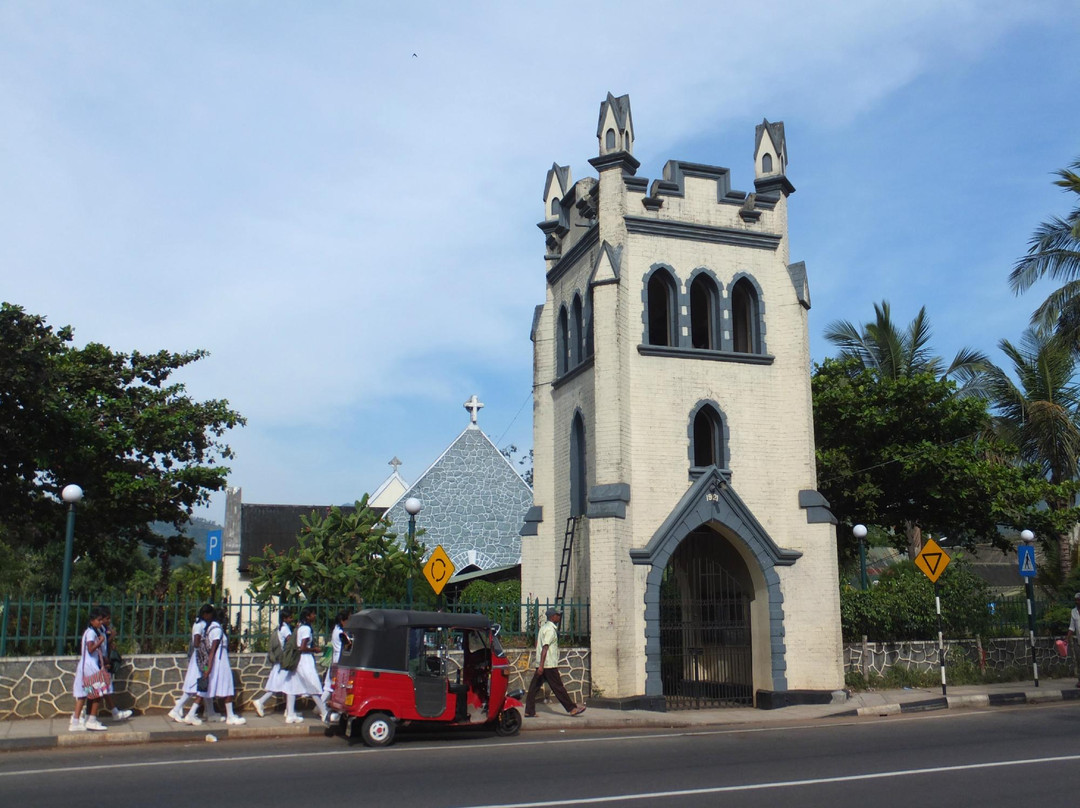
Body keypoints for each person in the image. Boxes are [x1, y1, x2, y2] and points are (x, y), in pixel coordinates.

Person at [524, 607, 586, 718]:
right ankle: (571, 709)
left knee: (534, 688)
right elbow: (545, 647)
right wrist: (542, 666)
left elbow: (537, 644)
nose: (559, 617)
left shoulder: (543, 628)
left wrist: (540, 665)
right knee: (558, 687)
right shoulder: (550, 630)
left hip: (543, 664)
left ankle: (529, 711)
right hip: (548, 665)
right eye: (557, 615)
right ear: (553, 617)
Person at [169, 603, 215, 725]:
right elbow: (196, 642)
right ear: (205, 614)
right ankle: (179, 710)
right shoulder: (199, 625)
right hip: (200, 658)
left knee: (196, 686)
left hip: (200, 657)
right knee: (199, 684)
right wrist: (204, 645)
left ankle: (177, 709)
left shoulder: (200, 624)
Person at [281, 606, 329, 724]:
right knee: (313, 685)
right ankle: (324, 712)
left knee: (293, 686)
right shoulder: (306, 629)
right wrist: (314, 649)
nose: (314, 616)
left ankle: (290, 714)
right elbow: (302, 647)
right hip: (305, 660)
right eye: (313, 614)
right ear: (308, 616)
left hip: (298, 660)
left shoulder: (300, 627)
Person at [203, 607, 246, 725]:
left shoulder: (209, 629)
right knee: (227, 687)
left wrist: (207, 668)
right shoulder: (217, 630)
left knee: (209, 687)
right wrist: (208, 668)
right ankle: (230, 716)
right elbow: (213, 650)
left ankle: (210, 711)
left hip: (214, 663)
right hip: (220, 663)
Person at [69, 607, 109, 732]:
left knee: (84, 694)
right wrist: (100, 641)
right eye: (98, 620)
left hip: (85, 666)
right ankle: (91, 720)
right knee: (97, 693)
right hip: (89, 666)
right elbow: (90, 649)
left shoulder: (92, 631)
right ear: (92, 621)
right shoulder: (91, 633)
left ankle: (76, 721)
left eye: (101, 620)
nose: (101, 622)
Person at [252, 607, 296, 718]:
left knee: (285, 686)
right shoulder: (285, 629)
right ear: (285, 618)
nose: (292, 619)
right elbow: (291, 642)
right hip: (283, 663)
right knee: (279, 686)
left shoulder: (280, 628)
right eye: (290, 617)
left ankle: (288, 710)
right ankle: (260, 702)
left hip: (279, 663)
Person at [321, 609, 352, 713]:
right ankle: (322, 707)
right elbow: (348, 645)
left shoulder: (335, 630)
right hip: (340, 660)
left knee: (329, 685)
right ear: (343, 620)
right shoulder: (341, 633)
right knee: (335, 685)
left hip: (335, 659)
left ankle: (321, 706)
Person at [1065, 592, 1080, 686]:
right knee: (1079, 660)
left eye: (1079, 600)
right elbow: (1072, 627)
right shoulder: (1073, 611)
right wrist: (1067, 638)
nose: (1077, 602)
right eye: (1076, 600)